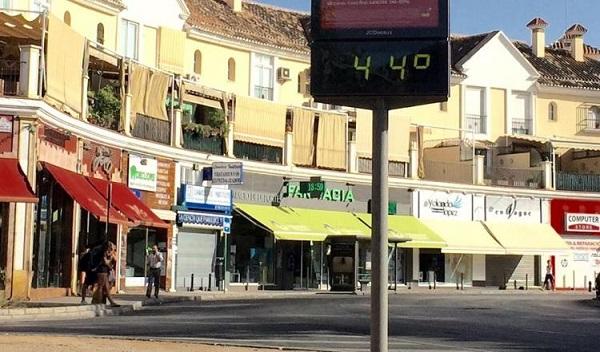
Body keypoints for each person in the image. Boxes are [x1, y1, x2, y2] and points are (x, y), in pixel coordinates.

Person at [93, 241, 120, 307]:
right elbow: (105, 262)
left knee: (107, 288)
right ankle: (100, 302)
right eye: (111, 247)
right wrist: (110, 265)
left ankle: (110, 302)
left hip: (105, 271)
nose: (111, 248)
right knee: (101, 287)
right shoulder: (103, 252)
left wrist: (112, 254)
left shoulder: (108, 253)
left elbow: (115, 259)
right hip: (102, 271)